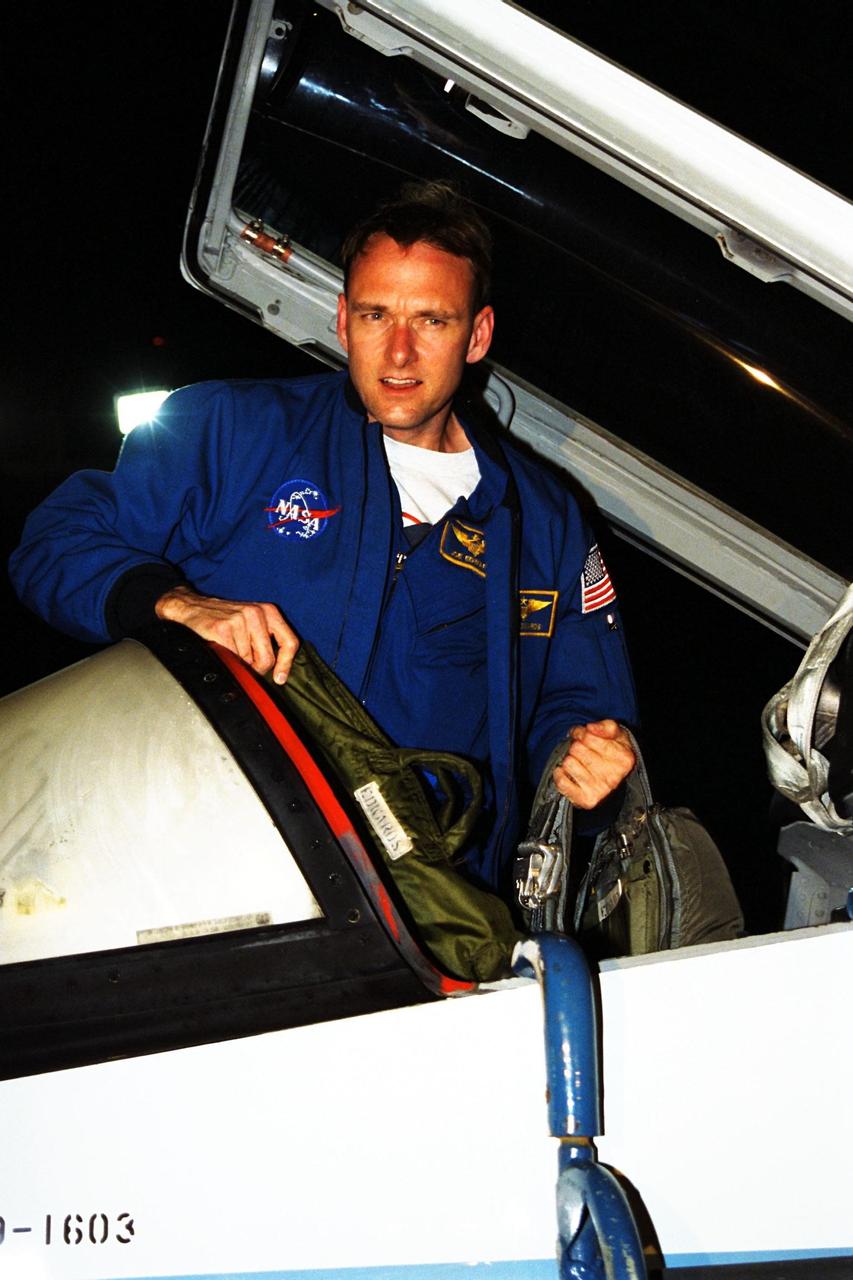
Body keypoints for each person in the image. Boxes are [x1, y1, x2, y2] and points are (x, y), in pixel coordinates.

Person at [9, 180, 637, 895]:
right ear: (342, 319)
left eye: (430, 321)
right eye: (376, 314)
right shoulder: (230, 431)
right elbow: (54, 543)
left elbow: (577, 707)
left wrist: (592, 772)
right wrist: (176, 603)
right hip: (194, 861)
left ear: (478, 334)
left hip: (422, 910)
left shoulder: (544, 518)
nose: (398, 352)